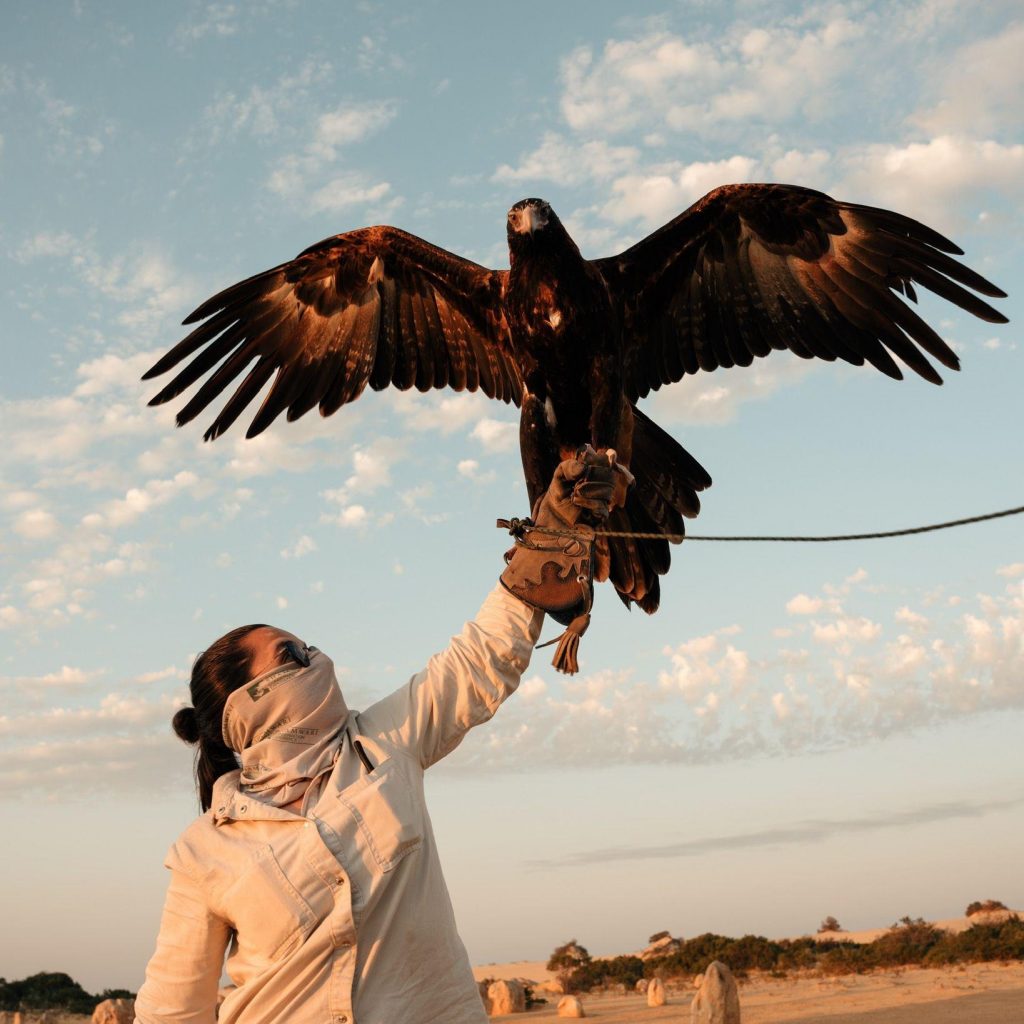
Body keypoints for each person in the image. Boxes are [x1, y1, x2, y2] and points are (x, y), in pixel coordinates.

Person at [133, 450, 618, 1024]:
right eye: (292, 654)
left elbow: (477, 660)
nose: (315, 657)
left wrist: (549, 535)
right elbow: (172, 1008)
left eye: (307, 645)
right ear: (249, 704)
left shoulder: (384, 743)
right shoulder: (203, 852)